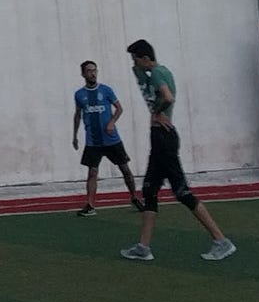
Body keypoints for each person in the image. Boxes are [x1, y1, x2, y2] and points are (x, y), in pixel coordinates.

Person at [120, 42, 235, 263]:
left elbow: (168, 97)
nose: (133, 64)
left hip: (164, 138)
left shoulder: (156, 74)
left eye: (135, 59)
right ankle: (143, 247)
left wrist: (157, 112)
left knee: (182, 192)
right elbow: (141, 74)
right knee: (149, 191)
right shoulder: (155, 71)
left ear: (144, 58)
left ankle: (221, 241)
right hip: (160, 139)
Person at [71, 58, 143, 215]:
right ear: (83, 74)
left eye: (95, 70)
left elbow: (119, 108)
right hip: (93, 140)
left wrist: (111, 122)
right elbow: (78, 115)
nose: (93, 73)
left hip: (111, 139)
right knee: (92, 172)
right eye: (89, 71)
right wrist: (75, 135)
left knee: (125, 169)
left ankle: (134, 197)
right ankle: (90, 205)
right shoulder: (79, 94)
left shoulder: (106, 90)